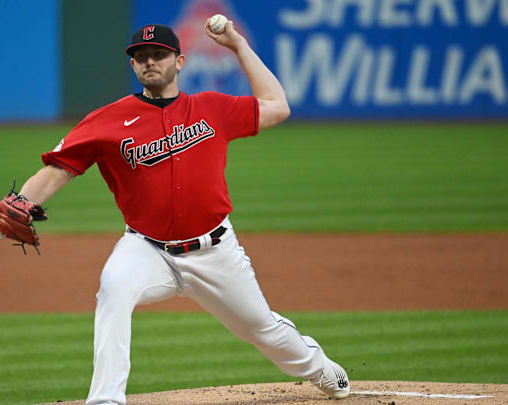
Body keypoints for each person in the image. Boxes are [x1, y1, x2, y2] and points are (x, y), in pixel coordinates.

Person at [17, 19, 350, 405]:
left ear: (180, 61)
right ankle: (106, 400)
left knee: (261, 328)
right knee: (113, 288)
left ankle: (317, 365)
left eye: (159, 54)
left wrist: (239, 46)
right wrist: (23, 200)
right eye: (141, 57)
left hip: (215, 251)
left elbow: (278, 107)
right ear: (133, 66)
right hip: (147, 248)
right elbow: (59, 168)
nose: (150, 61)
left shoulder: (212, 108)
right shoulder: (107, 120)